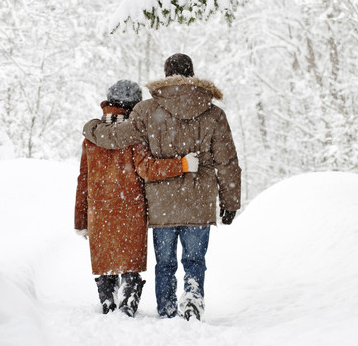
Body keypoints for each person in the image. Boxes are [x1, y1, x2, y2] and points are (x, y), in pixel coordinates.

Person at [83, 54, 241, 321]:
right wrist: (230, 201)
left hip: (162, 203)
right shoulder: (214, 114)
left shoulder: (147, 111)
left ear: (166, 75)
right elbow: (227, 162)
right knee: (194, 261)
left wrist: (91, 128)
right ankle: (192, 299)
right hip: (199, 201)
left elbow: (116, 137)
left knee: (165, 263)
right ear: (192, 74)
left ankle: (167, 309)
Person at [75, 79, 199, 317]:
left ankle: (108, 299)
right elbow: (148, 169)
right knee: (129, 263)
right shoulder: (135, 136)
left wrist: (81, 220)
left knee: (106, 261)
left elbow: (83, 181)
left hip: (99, 210)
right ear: (134, 105)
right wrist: (181, 164)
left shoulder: (91, 138)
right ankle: (128, 302)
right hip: (130, 209)